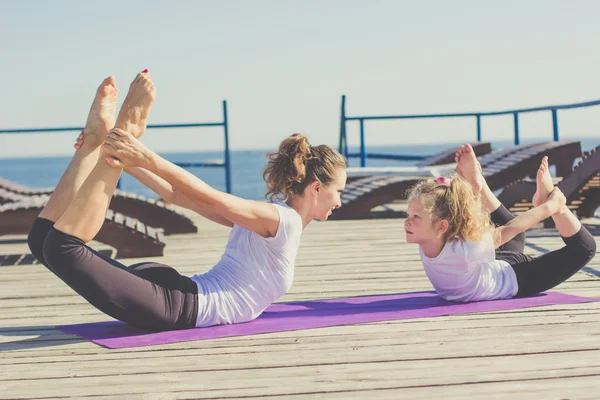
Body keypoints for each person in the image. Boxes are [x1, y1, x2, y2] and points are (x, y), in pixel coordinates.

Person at [28, 71, 347, 331]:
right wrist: (142, 156)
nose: (340, 201)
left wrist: (121, 156)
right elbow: (205, 195)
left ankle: (97, 142)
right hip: (178, 305)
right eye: (339, 191)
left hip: (175, 290)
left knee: (42, 241)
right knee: (61, 247)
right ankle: (119, 134)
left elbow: (174, 194)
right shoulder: (284, 221)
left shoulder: (271, 221)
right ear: (316, 188)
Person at [404, 144, 596, 302]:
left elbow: (511, 228)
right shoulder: (435, 238)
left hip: (519, 278)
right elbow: (451, 203)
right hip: (493, 269)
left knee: (585, 248)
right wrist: (459, 178)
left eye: (415, 217)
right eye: (409, 215)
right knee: (516, 236)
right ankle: (479, 186)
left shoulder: (463, 251)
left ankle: (559, 208)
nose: (407, 222)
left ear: (442, 226)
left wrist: (551, 207)